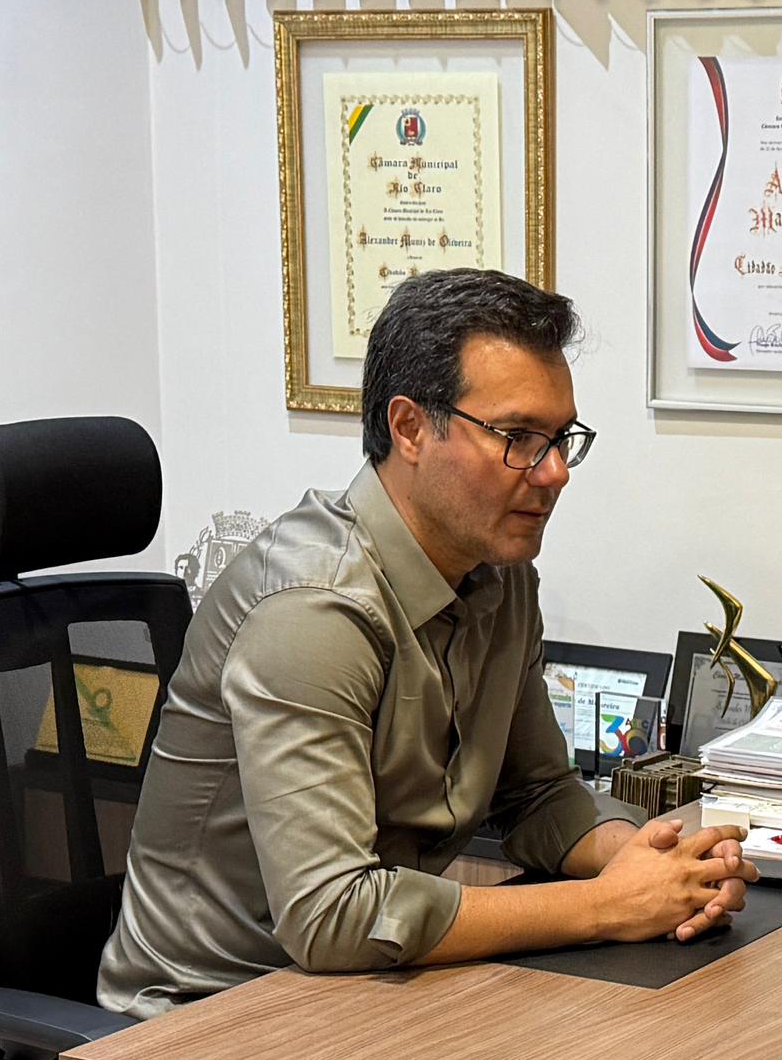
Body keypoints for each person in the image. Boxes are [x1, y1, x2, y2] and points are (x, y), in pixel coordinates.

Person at [97, 270, 746, 1016]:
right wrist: (607, 905)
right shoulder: (313, 609)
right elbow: (332, 914)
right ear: (409, 428)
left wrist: (652, 860)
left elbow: (536, 795)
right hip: (209, 1018)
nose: (555, 472)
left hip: (374, 993)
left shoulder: (500, 576)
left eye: (562, 438)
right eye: (518, 438)